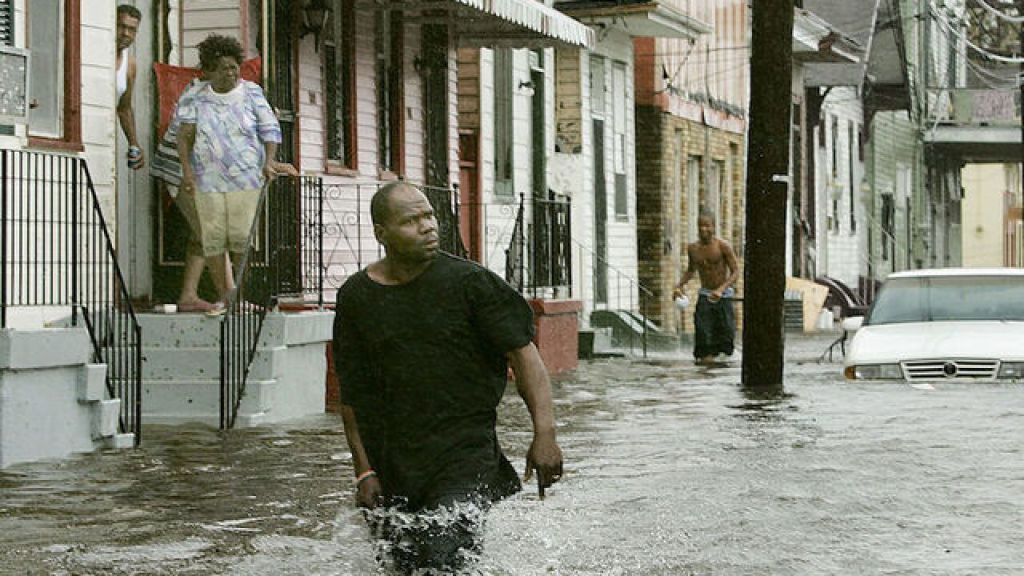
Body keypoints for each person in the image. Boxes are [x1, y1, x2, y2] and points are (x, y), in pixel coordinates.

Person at [333, 182, 563, 574]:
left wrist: (545, 434)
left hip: (464, 452)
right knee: (403, 566)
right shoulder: (356, 296)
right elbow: (353, 392)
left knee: (444, 556)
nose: (428, 227)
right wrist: (364, 469)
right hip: (394, 460)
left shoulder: (472, 284)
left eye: (429, 216)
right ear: (381, 233)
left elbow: (525, 358)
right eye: (411, 220)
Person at [174, 34, 284, 313]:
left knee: (241, 238)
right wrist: (187, 173)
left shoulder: (252, 93)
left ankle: (238, 294)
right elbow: (184, 137)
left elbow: (270, 130)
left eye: (235, 66)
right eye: (224, 67)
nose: (232, 72)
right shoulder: (195, 95)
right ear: (210, 70)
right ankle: (226, 295)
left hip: (245, 178)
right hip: (207, 179)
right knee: (213, 238)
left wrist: (269, 162)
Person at [674, 212, 740, 365]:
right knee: (703, 336)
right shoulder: (693, 249)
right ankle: (705, 368)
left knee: (725, 339)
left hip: (723, 296)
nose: (704, 229)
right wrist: (679, 285)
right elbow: (691, 270)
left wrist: (721, 289)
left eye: (707, 226)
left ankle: (721, 371)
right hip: (705, 295)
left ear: (714, 227)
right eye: (700, 226)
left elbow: (736, 272)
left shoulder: (722, 246)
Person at [116, 5, 145, 170]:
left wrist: (134, 143)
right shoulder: (95, 53)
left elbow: (124, 108)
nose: (126, 33)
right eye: (121, 26)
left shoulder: (130, 64)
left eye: (132, 29)